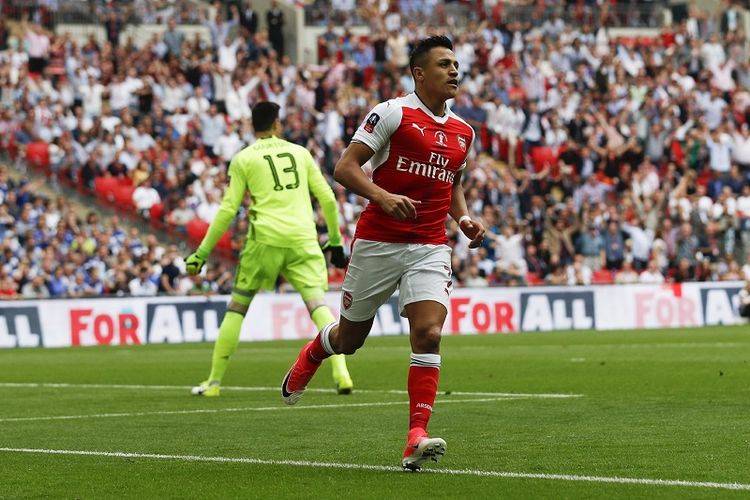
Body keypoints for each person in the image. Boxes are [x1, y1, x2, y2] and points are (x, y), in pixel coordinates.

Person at [280, 35, 485, 471]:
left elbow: (454, 185)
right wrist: (382, 195)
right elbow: (345, 167)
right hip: (378, 242)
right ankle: (315, 353)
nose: (454, 71)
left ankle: (416, 435)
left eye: (456, 64)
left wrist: (463, 219)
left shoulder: (464, 132)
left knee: (428, 333)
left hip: (430, 245)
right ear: (419, 73)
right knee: (350, 341)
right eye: (444, 64)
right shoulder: (392, 113)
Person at [186, 101, 354, 397]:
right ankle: (341, 374)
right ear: (278, 124)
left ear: (253, 127)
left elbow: (228, 210)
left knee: (237, 307)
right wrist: (336, 242)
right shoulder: (300, 153)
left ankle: (213, 383)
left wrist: (201, 253)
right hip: (303, 240)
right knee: (319, 307)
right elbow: (327, 198)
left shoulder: (243, 158)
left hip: (264, 241)